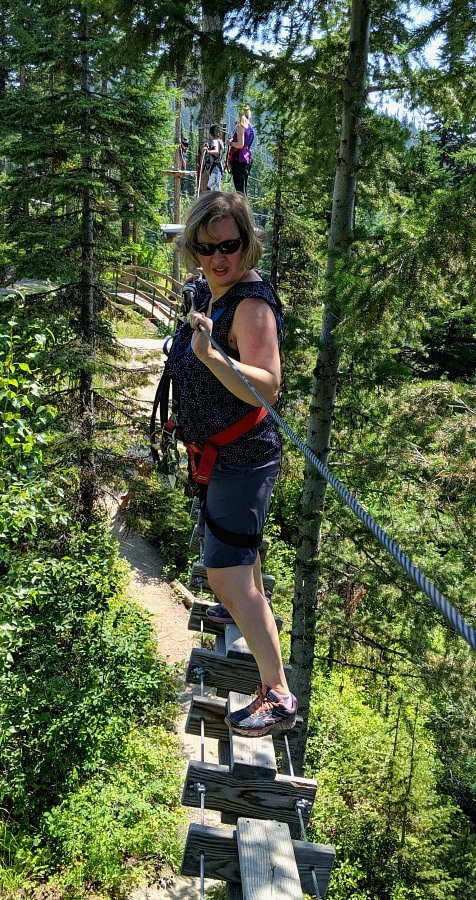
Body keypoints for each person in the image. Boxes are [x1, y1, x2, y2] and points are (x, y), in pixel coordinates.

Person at [171, 191, 297, 738]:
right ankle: (239, 609)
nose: (218, 257)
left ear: (248, 241)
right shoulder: (215, 291)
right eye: (205, 247)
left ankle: (277, 693)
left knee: (225, 569)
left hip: (242, 458)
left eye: (229, 245)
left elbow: (266, 386)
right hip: (223, 458)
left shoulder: (250, 305)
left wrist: (212, 357)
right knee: (237, 569)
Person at [227, 106, 254, 195]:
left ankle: (240, 208)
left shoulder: (240, 126)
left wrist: (230, 143)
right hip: (246, 158)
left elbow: (240, 144)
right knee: (243, 189)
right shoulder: (250, 127)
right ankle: (244, 207)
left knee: (239, 191)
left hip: (238, 158)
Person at [204, 124, 224, 192]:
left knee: (214, 195)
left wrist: (208, 151)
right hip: (218, 169)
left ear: (211, 133)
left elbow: (216, 151)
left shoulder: (214, 141)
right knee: (208, 191)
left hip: (215, 170)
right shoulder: (220, 141)